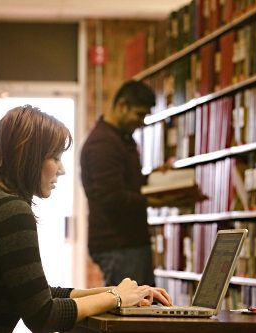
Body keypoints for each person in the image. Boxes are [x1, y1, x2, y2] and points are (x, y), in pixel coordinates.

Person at [0, 105, 172, 333]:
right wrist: (116, 297)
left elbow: (40, 294)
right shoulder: (8, 210)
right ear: (29, 157)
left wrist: (118, 292)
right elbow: (43, 317)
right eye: (55, 157)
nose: (62, 169)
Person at [81, 80, 173, 287]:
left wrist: (155, 179)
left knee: (141, 310)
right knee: (132, 313)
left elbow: (128, 185)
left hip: (127, 243)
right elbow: (111, 196)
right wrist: (152, 200)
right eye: (139, 114)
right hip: (118, 244)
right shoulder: (103, 144)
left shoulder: (122, 139)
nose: (141, 122)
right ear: (122, 106)